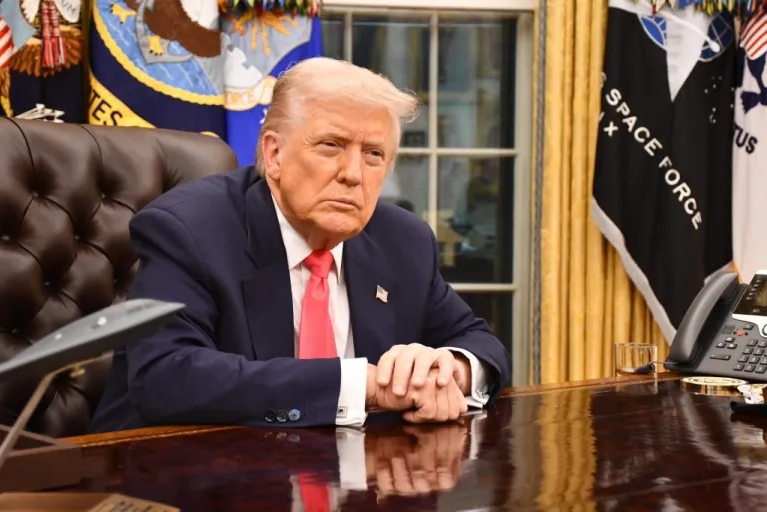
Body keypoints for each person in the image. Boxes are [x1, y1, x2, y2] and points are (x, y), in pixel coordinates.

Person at [90, 57, 511, 433]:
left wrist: (447, 370)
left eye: (374, 154)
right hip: (180, 481)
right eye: (331, 145)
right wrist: (363, 385)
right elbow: (167, 377)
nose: (352, 174)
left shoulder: (404, 240)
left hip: (356, 483)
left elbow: (479, 342)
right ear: (273, 154)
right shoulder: (190, 230)